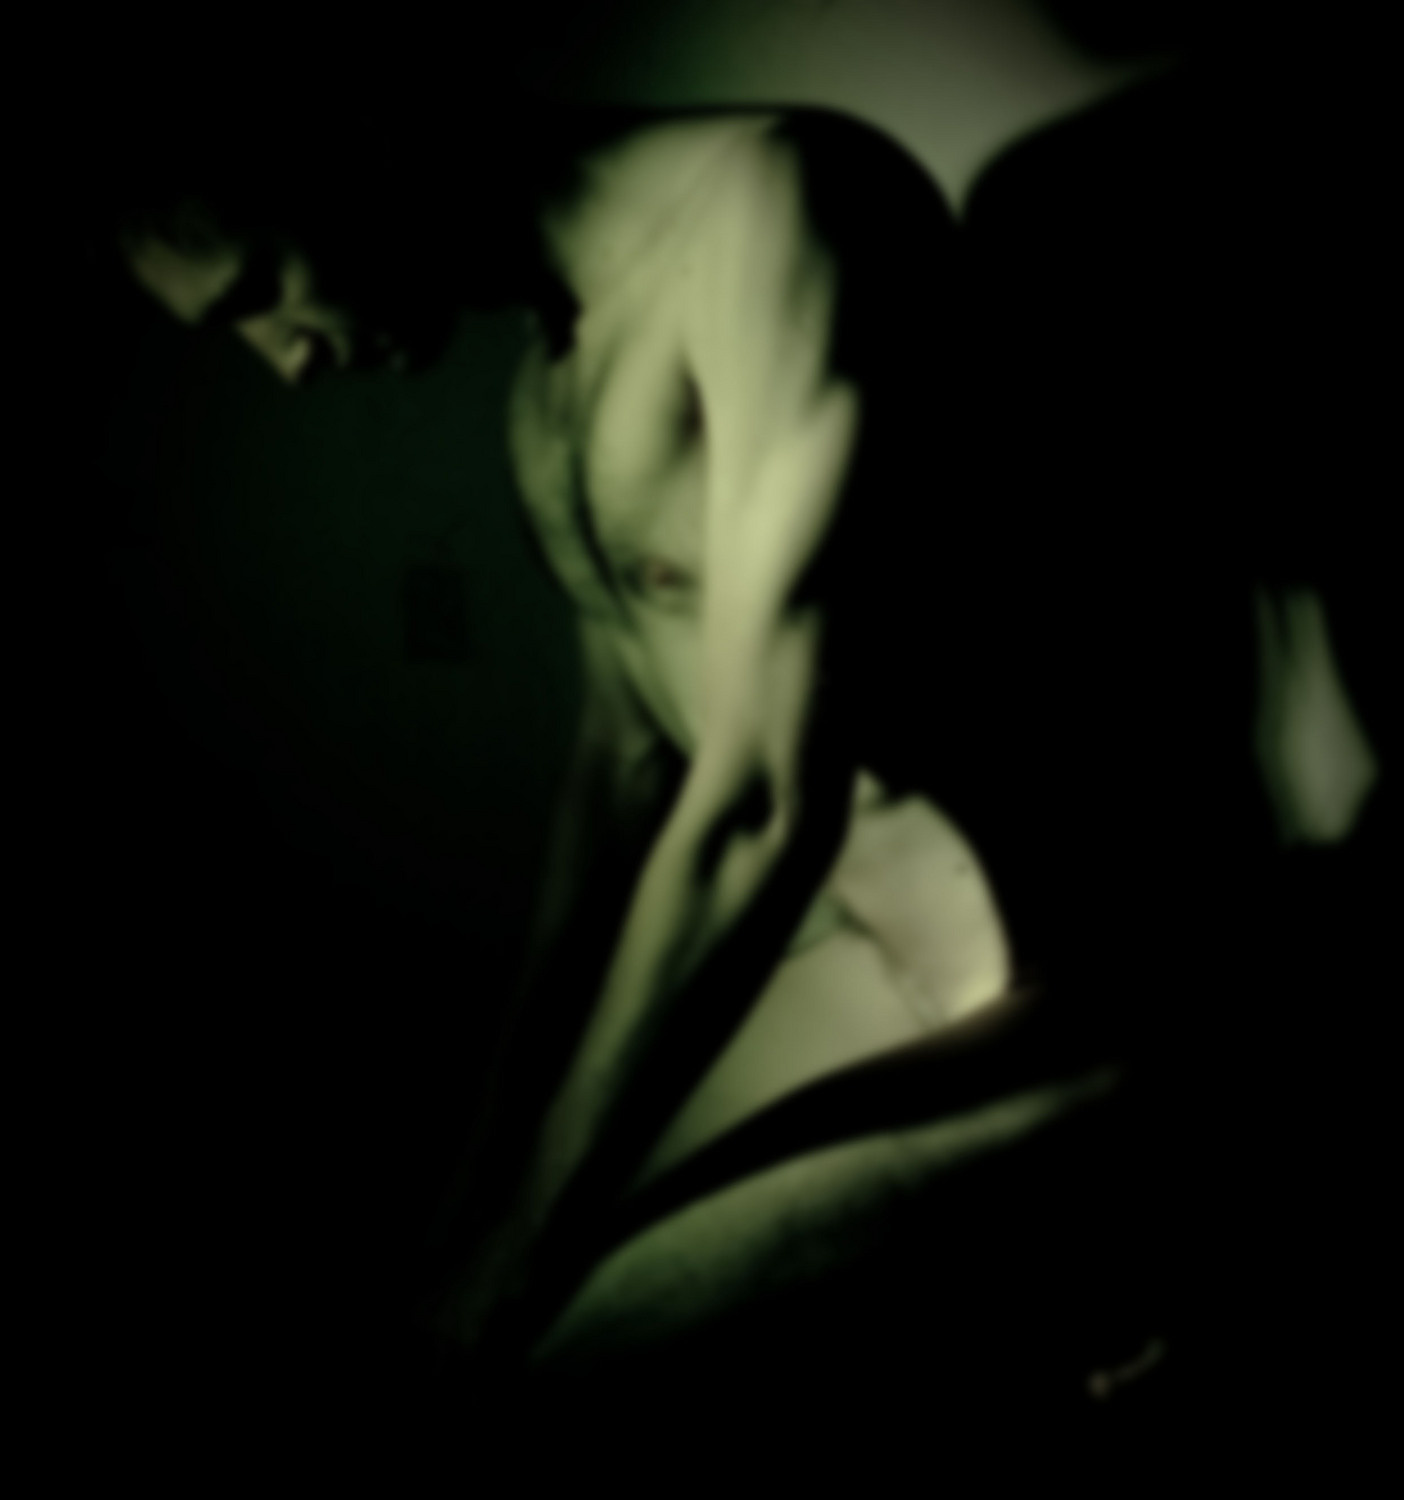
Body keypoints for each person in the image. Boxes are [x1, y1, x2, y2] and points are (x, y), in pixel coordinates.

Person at [85, 43, 1389, 1476]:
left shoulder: (781, 203)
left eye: (260, 290)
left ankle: (1181, 1225)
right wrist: (484, 1187)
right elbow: (622, 778)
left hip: (1073, 973)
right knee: (444, 1312)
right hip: (869, 963)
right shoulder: (548, 386)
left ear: (347, 143)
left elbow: (766, 801)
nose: (286, 361)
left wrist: (508, 1262)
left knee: (522, 1362)